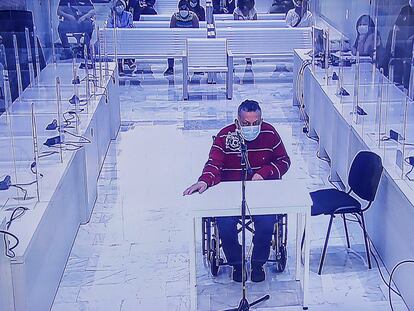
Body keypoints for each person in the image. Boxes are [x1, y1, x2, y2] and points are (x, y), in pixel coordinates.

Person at [183, 100, 291, 283]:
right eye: (246, 124)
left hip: (262, 193)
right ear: (237, 122)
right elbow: (214, 164)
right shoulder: (225, 136)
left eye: (255, 123)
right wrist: (204, 180)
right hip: (230, 195)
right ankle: (236, 262)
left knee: (266, 224)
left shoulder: (270, 133)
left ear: (261, 120)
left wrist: (264, 173)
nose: (252, 127)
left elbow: (284, 161)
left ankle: (258, 263)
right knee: (224, 225)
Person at [383, 1, 414, 89]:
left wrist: (411, 39)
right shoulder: (405, 9)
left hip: (410, 47)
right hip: (401, 44)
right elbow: (396, 26)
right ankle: (387, 72)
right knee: (391, 34)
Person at [164, 0, 200, 76]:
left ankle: (196, 67)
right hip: (177, 42)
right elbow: (171, 32)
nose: (183, 10)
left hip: (190, 43)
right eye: (182, 8)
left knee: (197, 47)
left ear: (188, 8)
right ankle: (170, 68)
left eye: (185, 8)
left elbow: (197, 33)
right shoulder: (174, 17)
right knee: (170, 47)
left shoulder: (193, 16)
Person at [107, 0, 136, 75]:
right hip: (115, 37)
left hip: (126, 37)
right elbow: (110, 27)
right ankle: (128, 60)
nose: (119, 7)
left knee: (122, 41)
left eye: (121, 5)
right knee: (118, 42)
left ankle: (121, 65)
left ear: (124, 6)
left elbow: (130, 26)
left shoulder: (129, 15)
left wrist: (120, 30)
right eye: (117, 5)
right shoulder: (112, 15)